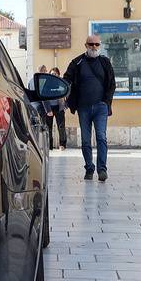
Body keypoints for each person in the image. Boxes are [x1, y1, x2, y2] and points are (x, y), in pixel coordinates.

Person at [63, 34, 115, 181]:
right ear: (85, 45)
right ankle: (89, 168)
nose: (94, 47)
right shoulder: (77, 62)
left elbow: (112, 84)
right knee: (86, 140)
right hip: (83, 108)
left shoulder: (105, 62)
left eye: (96, 44)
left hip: (101, 107)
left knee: (101, 137)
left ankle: (102, 169)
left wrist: (106, 102)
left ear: (100, 45)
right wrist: (63, 93)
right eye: (91, 44)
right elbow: (66, 79)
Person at [48, 68, 69, 147]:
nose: (53, 75)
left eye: (55, 73)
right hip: (49, 108)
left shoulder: (62, 82)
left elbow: (68, 93)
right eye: (52, 73)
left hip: (59, 107)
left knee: (61, 126)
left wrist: (66, 105)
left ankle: (62, 144)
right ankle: (49, 145)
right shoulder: (47, 83)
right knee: (48, 127)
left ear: (58, 74)